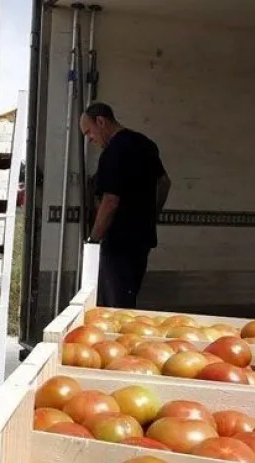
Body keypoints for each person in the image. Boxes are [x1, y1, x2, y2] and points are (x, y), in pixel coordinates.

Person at [80, 102, 172, 308]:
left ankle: (116, 340)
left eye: (89, 133)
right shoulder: (146, 144)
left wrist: (93, 239)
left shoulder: (113, 152)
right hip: (142, 240)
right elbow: (165, 183)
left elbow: (110, 201)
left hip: (118, 243)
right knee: (128, 298)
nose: (90, 139)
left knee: (114, 307)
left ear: (101, 121)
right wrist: (150, 215)